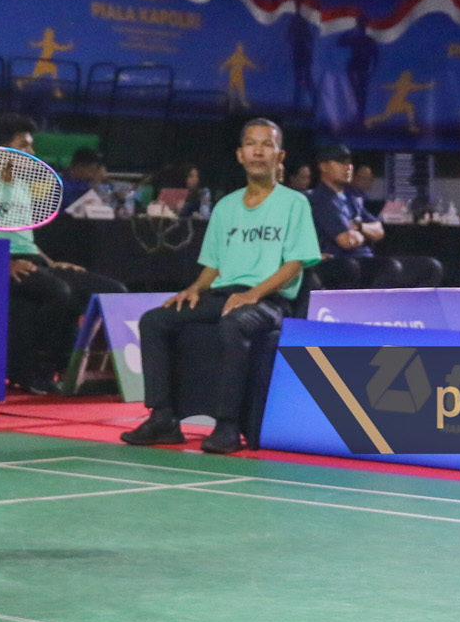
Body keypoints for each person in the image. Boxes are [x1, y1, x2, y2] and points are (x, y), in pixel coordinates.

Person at [124, 118, 320, 455]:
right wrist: (195, 288)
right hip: (223, 294)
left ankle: (228, 425)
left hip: (269, 301)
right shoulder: (226, 206)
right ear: (240, 155)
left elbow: (295, 264)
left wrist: (253, 294)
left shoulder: (294, 203)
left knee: (233, 324)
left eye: (267, 144)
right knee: (155, 320)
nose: (258, 151)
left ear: (280, 156)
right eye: (251, 144)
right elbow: (213, 265)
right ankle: (163, 418)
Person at [0, 113, 123, 394]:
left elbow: (23, 235)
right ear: (2, 148)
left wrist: (52, 263)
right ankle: (36, 369)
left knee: (112, 289)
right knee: (59, 292)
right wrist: (2, 264)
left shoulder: (22, 184)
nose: (32, 151)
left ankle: (73, 369)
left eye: (31, 144)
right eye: (24, 145)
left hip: (34, 259)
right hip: (2, 259)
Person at [307, 141, 442, 289]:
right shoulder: (320, 198)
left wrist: (359, 227)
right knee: (388, 267)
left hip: (366, 259)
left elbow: (379, 231)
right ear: (323, 166)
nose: (348, 167)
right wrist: (365, 233)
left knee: (431, 267)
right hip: (341, 262)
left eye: (349, 162)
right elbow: (347, 240)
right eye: (340, 162)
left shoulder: (351, 198)